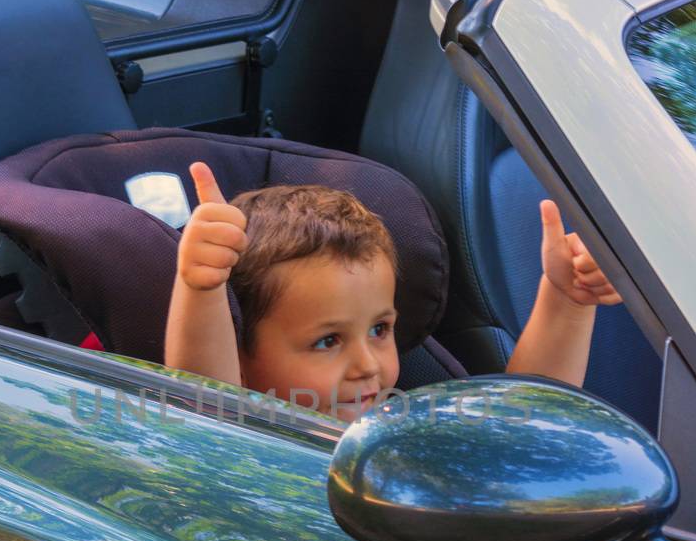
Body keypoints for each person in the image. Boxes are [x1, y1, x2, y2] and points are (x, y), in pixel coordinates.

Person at [164, 161, 621, 422]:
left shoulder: (403, 425)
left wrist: (567, 300)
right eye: (328, 340)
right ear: (241, 357)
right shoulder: (252, 452)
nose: (369, 366)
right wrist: (201, 289)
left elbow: (519, 427)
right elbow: (206, 401)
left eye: (380, 329)